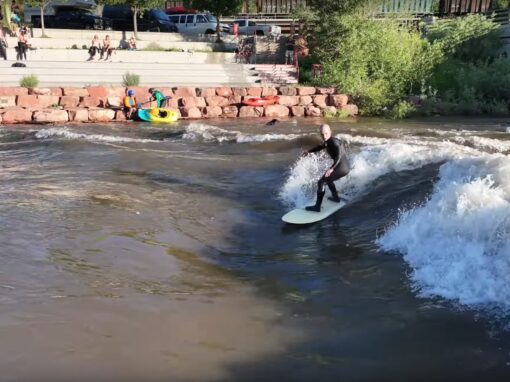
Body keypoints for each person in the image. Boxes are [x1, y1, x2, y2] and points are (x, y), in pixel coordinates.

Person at [302, 124, 350, 212]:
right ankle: (336, 198)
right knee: (328, 179)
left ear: (330, 132)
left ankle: (317, 207)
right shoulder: (328, 141)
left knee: (321, 182)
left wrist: (332, 168)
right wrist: (309, 151)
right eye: (322, 134)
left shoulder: (333, 141)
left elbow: (340, 154)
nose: (324, 136)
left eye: (326, 133)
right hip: (344, 167)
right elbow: (320, 147)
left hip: (341, 167)